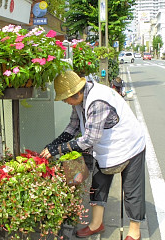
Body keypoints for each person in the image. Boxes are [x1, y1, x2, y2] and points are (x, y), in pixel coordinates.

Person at [41, 71, 146, 240]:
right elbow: (73, 127)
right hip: (106, 147)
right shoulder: (79, 101)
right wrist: (54, 144)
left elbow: (90, 139)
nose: (66, 102)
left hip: (129, 144)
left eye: (66, 98)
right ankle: (96, 224)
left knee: (132, 189)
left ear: (76, 93)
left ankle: (135, 232)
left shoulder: (97, 101)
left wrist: (58, 149)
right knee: (98, 185)